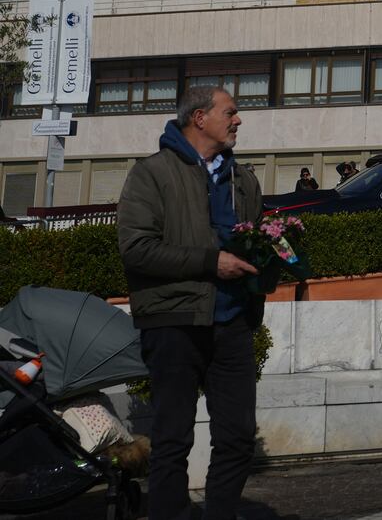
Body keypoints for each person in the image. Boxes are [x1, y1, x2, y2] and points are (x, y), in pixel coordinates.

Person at [117, 85, 261, 520]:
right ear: (199, 118)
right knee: (173, 438)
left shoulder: (244, 178)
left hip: (232, 323)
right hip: (174, 322)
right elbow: (136, 248)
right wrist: (209, 262)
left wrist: (273, 260)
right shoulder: (151, 173)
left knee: (237, 436)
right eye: (230, 113)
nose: (238, 121)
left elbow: (255, 242)